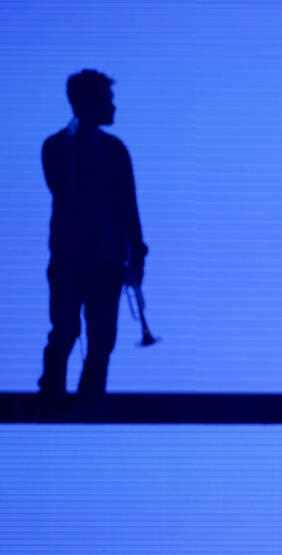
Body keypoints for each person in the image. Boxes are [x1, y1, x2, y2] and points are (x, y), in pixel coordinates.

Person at [38, 69, 148, 401]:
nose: (113, 108)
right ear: (90, 103)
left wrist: (136, 254)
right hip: (73, 258)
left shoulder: (113, 149)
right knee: (66, 329)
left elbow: (129, 208)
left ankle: (89, 398)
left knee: (102, 337)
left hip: (104, 260)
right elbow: (64, 187)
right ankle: (53, 393)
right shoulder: (59, 146)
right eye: (107, 100)